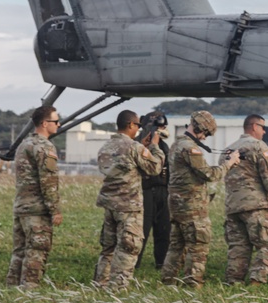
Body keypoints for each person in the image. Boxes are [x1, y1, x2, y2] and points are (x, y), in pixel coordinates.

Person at [161, 110, 239, 288]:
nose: (205, 138)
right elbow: (209, 174)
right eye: (205, 133)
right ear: (199, 128)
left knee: (176, 246)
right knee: (198, 245)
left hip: (176, 205)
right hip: (192, 207)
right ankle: (192, 284)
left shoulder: (176, 144)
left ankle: (168, 281)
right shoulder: (191, 149)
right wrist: (229, 163)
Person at [93, 110, 164, 289]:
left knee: (108, 248)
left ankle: (100, 283)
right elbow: (154, 168)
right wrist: (154, 147)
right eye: (138, 125)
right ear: (131, 125)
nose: (138, 129)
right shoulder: (134, 147)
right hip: (128, 206)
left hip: (110, 204)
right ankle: (118, 287)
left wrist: (142, 147)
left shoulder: (106, 147)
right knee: (128, 247)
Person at [6, 105, 63, 289]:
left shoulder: (25, 144)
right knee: (37, 250)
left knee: (20, 251)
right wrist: (55, 209)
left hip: (21, 206)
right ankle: (29, 289)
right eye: (56, 121)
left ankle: (12, 288)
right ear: (45, 123)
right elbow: (48, 181)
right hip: (37, 210)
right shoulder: (44, 146)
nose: (59, 124)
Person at [223, 114, 268, 285]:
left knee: (238, 246)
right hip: (254, 204)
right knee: (267, 244)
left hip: (233, 205)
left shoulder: (229, 149)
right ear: (255, 126)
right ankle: (256, 280)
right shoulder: (258, 146)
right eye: (263, 127)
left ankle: (233, 281)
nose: (264, 132)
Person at [137, 117, 170, 269]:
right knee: (141, 231)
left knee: (164, 230)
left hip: (163, 191)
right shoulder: (138, 145)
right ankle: (134, 263)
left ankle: (161, 263)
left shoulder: (165, 147)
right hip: (145, 190)